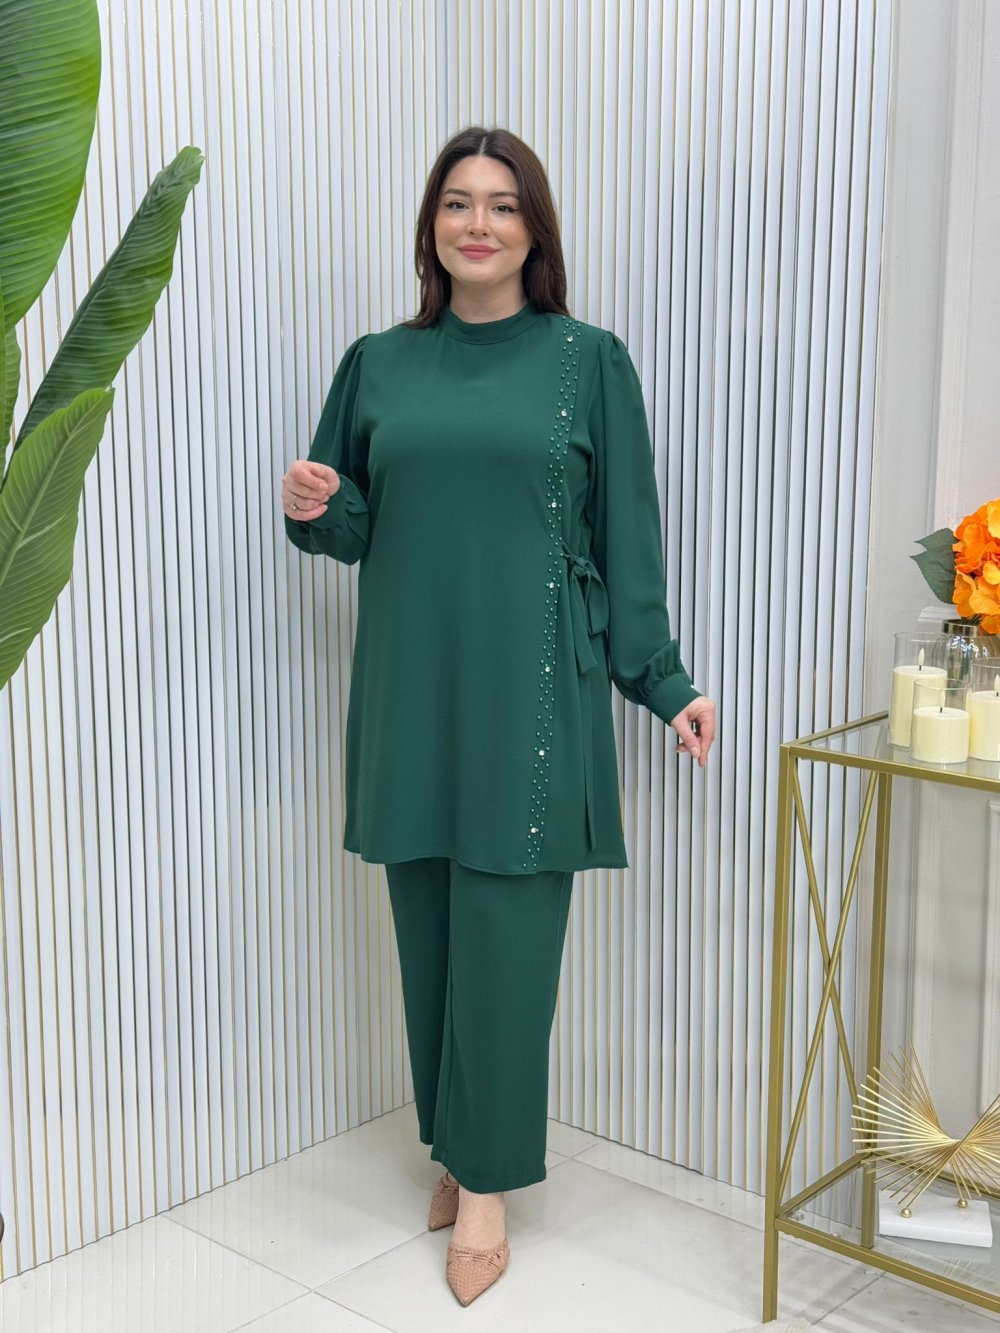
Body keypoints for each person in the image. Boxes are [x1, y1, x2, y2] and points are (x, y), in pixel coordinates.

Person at [282, 126, 717, 1307]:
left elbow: (628, 543)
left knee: (507, 947)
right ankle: (455, 1142)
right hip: (409, 689)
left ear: (535, 229)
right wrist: (314, 506)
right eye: (457, 203)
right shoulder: (376, 362)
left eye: (503, 204)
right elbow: (352, 525)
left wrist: (665, 682)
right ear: (431, 225)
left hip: (531, 692)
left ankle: (485, 1188)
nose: (478, 223)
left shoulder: (587, 362)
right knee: (426, 933)